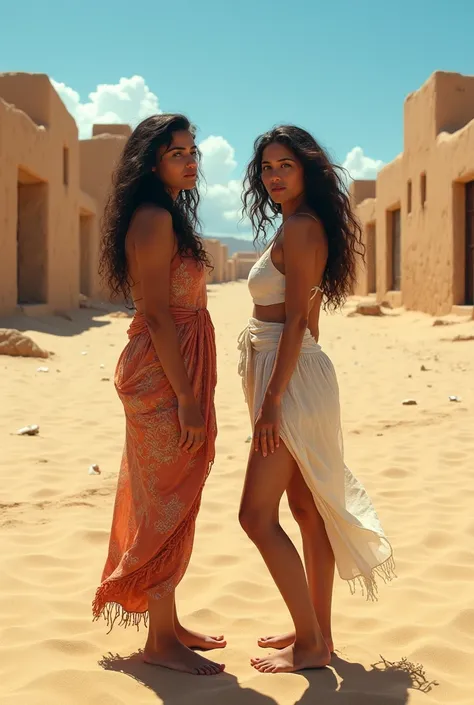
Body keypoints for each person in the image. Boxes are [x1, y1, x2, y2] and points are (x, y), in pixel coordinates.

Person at [237, 125, 395, 675]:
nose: (274, 176)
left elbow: (300, 321)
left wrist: (277, 397)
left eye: (285, 165)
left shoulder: (302, 228)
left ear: (306, 169)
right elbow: (309, 316)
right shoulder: (298, 224)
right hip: (295, 374)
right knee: (304, 510)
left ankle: (310, 642)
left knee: (255, 516)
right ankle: (318, 632)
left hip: (290, 379)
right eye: (267, 168)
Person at [93, 114, 225, 676]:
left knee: (176, 492)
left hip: (178, 366)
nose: (192, 160)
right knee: (165, 496)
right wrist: (187, 399)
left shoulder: (167, 215)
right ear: (152, 162)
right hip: (162, 373)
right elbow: (155, 315)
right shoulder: (151, 220)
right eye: (179, 153)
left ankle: (168, 626)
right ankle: (158, 641)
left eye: (194, 151)